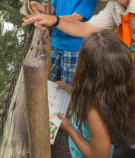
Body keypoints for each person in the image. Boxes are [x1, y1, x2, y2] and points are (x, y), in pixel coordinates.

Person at [57, 30, 135, 158]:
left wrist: (68, 127)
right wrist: (70, 89)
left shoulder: (95, 113)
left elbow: (99, 156)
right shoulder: (118, 90)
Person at [30, 0, 98, 86]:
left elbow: (75, 18)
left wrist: (52, 20)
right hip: (56, 42)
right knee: (51, 80)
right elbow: (53, 9)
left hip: (73, 46)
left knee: (69, 84)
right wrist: (40, 7)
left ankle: (69, 108)